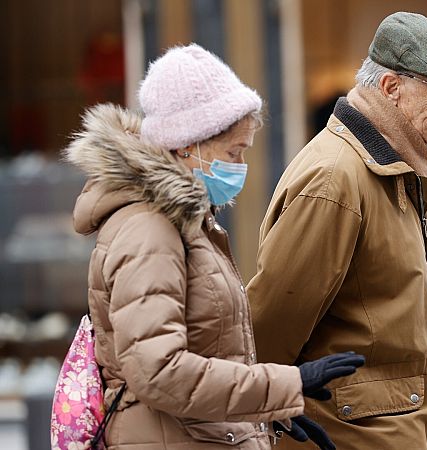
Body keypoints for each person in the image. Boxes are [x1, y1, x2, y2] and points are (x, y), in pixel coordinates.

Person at [62, 43, 364, 450]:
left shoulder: (183, 223)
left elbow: (207, 353)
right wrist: (287, 383)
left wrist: (270, 409)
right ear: (189, 144)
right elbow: (158, 371)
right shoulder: (149, 230)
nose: (240, 166)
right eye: (233, 152)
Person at [247, 12, 427, 449]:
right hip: (346, 436)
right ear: (392, 88)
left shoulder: (398, 170)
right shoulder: (335, 178)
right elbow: (268, 332)